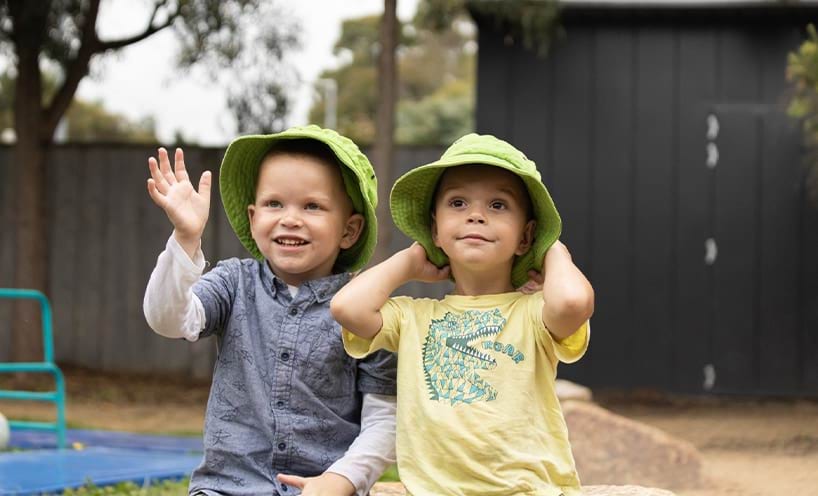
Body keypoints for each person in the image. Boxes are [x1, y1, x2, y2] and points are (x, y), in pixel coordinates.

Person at [332, 133, 595, 496]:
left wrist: (553, 251)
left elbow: (573, 304)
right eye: (457, 202)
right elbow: (346, 308)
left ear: (525, 236)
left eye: (498, 205)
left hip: (527, 488)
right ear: (435, 230)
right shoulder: (414, 317)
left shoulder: (536, 314)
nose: (475, 215)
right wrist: (406, 262)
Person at [142, 125, 397, 496]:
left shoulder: (366, 311)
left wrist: (342, 481)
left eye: (312, 206)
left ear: (349, 230)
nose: (289, 218)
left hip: (322, 489)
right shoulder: (234, 282)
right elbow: (169, 320)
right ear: (252, 217)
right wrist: (185, 239)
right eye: (274, 204)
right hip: (225, 488)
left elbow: (382, 420)